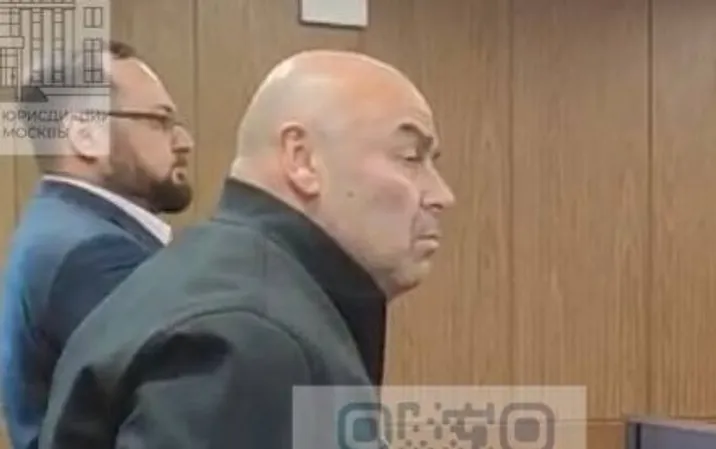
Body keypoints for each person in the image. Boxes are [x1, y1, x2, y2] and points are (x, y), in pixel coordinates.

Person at [37, 49, 455, 449]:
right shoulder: (250, 338)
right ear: (302, 160)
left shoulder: (221, 282)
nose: (441, 195)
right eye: (409, 157)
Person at [0, 40, 194, 449]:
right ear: (86, 135)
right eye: (160, 121)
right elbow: (183, 412)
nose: (184, 141)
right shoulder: (93, 256)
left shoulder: (58, 225)